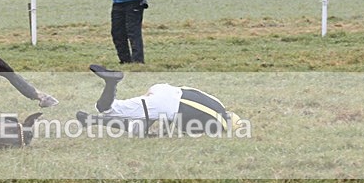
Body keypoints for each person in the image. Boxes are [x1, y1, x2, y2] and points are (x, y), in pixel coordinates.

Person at [77, 64, 243, 136]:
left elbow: (191, 90)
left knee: (140, 127)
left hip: (167, 90)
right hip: (166, 105)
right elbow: (182, 127)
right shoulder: (215, 127)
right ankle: (111, 82)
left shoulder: (218, 103)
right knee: (108, 109)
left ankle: (90, 120)